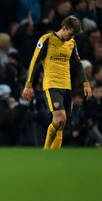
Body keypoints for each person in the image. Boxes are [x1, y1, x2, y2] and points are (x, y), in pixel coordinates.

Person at [22, 15, 92, 149]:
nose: (71, 38)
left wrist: (86, 83)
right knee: (60, 118)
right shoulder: (46, 39)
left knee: (62, 123)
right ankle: (46, 150)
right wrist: (28, 85)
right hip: (52, 84)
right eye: (71, 34)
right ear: (64, 28)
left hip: (67, 85)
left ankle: (53, 155)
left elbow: (77, 64)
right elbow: (34, 61)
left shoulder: (71, 43)